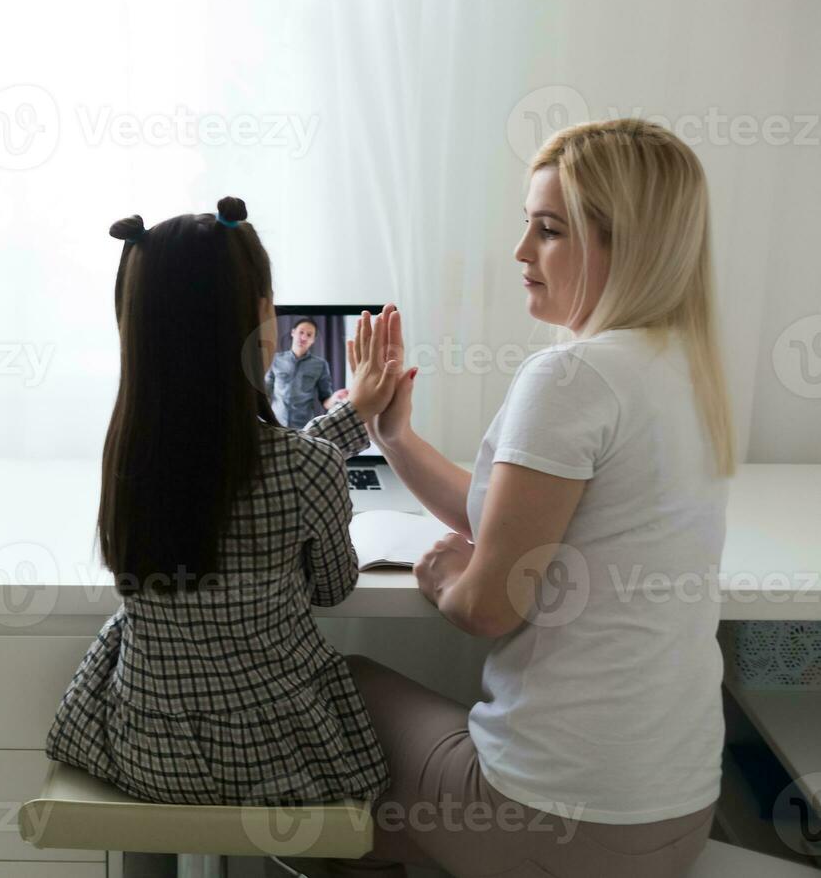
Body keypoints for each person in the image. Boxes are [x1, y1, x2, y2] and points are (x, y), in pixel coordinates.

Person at [285, 119, 734, 877]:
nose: (521, 253)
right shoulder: (686, 367)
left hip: (562, 823)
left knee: (341, 684)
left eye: (549, 231)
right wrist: (396, 437)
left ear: (628, 246)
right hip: (677, 814)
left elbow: (489, 609)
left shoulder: (573, 378)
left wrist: (444, 579)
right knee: (385, 813)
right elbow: (516, 518)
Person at [44, 196, 405, 807]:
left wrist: (352, 416)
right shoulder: (303, 468)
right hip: (282, 757)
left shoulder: (126, 457)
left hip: (146, 753)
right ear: (261, 318)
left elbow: (249, 463)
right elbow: (333, 588)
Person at [266, 317, 337, 428]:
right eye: (301, 332)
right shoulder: (275, 360)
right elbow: (266, 392)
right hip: (276, 424)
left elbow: (325, 400)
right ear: (293, 333)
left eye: (309, 335)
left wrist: (336, 398)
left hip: (304, 428)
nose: (304, 337)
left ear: (313, 340)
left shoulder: (320, 365)